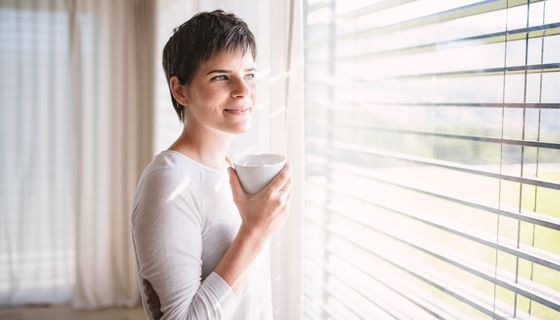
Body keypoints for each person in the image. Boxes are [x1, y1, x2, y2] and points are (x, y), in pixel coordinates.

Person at [131, 10, 292, 320]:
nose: (243, 90)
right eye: (221, 76)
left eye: (249, 74)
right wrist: (254, 232)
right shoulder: (167, 183)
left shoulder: (233, 169)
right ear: (180, 90)